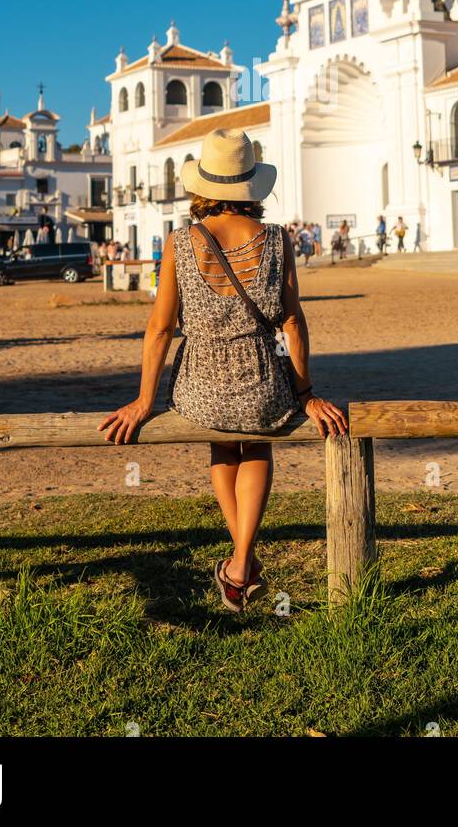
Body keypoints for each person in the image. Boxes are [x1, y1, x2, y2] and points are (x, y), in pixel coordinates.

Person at [99, 129, 347, 613]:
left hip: (200, 388)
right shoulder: (277, 240)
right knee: (254, 444)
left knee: (222, 445)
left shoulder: (180, 241)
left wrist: (144, 400)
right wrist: (306, 392)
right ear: (251, 185)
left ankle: (240, 566)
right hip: (262, 386)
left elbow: (159, 328)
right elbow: (292, 321)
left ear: (203, 186)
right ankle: (240, 566)